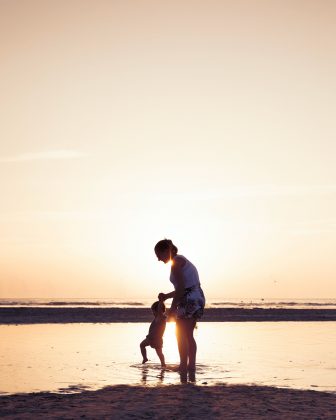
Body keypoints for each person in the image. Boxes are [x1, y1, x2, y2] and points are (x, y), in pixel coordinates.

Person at [155, 239, 205, 374]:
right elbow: (185, 287)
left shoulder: (176, 262)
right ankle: (191, 366)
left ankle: (183, 366)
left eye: (158, 255)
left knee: (180, 334)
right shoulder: (181, 260)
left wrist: (172, 309)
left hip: (189, 299)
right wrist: (166, 296)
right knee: (188, 334)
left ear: (166, 251)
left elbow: (182, 289)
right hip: (197, 297)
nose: (158, 259)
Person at [140, 300, 166, 367]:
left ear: (157, 310)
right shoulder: (158, 318)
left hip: (155, 339)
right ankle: (145, 358)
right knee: (142, 345)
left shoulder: (160, 317)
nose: (152, 313)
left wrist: (161, 301)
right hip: (152, 338)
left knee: (159, 353)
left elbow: (159, 309)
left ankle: (163, 363)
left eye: (153, 311)